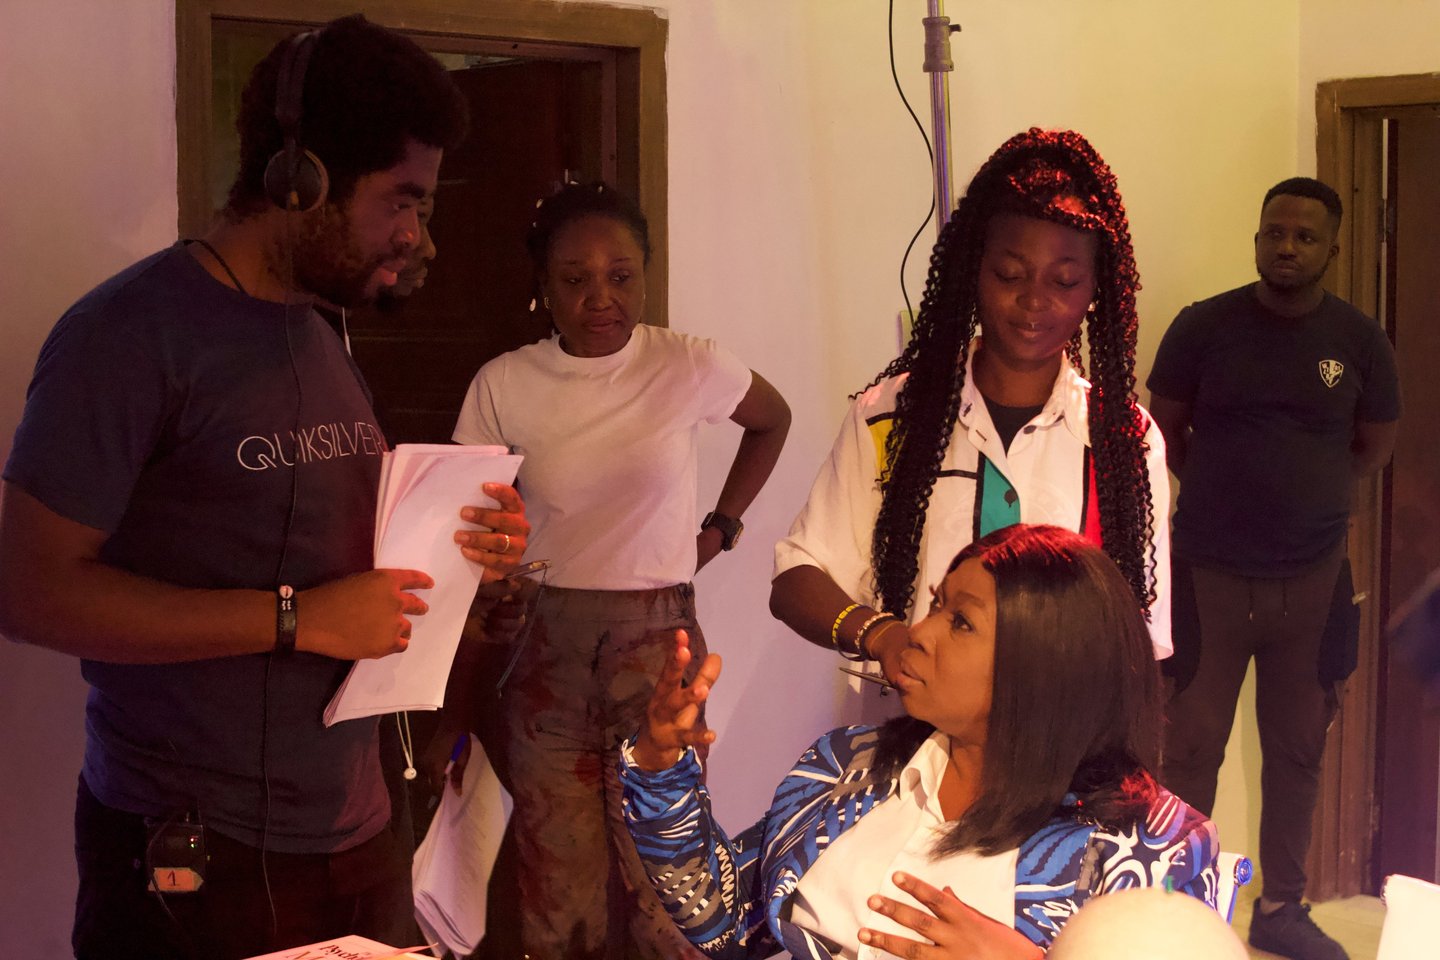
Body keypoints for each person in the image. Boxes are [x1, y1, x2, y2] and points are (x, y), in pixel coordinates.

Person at [0, 16, 530, 959]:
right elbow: (29, 591)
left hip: (357, 833)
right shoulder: (129, 335)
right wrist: (296, 619)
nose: (417, 237)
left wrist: (461, 553)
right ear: (304, 180)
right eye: (401, 201)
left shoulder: (319, 335)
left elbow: (324, 551)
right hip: (195, 857)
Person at [443, 181, 791, 959]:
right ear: (543, 285)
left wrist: (722, 528)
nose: (600, 298)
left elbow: (773, 420)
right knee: (557, 879)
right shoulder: (504, 383)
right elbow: (465, 512)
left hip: (658, 646)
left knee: (663, 873)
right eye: (575, 278)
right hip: (544, 648)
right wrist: (492, 583)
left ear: (645, 277)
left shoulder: (687, 363)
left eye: (621, 276)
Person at [623, 524, 1220, 959]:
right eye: (936, 605)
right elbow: (724, 919)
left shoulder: (1154, 848)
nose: (919, 632)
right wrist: (660, 767)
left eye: (961, 622)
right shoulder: (848, 764)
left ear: (1044, 667)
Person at [770, 128, 1170, 685]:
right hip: (917, 723)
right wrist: (881, 635)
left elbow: (1140, 636)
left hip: (1064, 733)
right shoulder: (891, 418)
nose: (1034, 299)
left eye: (1065, 280)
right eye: (1010, 274)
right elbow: (798, 574)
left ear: (1095, 290)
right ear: (973, 269)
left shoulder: (1125, 440)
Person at [1148, 177, 1400, 960]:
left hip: (1313, 582)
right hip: (1207, 575)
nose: (1286, 247)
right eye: (1274, 233)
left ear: (1333, 249)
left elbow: (1373, 446)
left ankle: (1281, 909)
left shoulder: (1360, 340)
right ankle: (1179, 908)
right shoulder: (1204, 327)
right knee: (1190, 748)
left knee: (1297, 750)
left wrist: (1304, 495)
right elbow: (1163, 432)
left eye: (1304, 237)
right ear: (1258, 238)